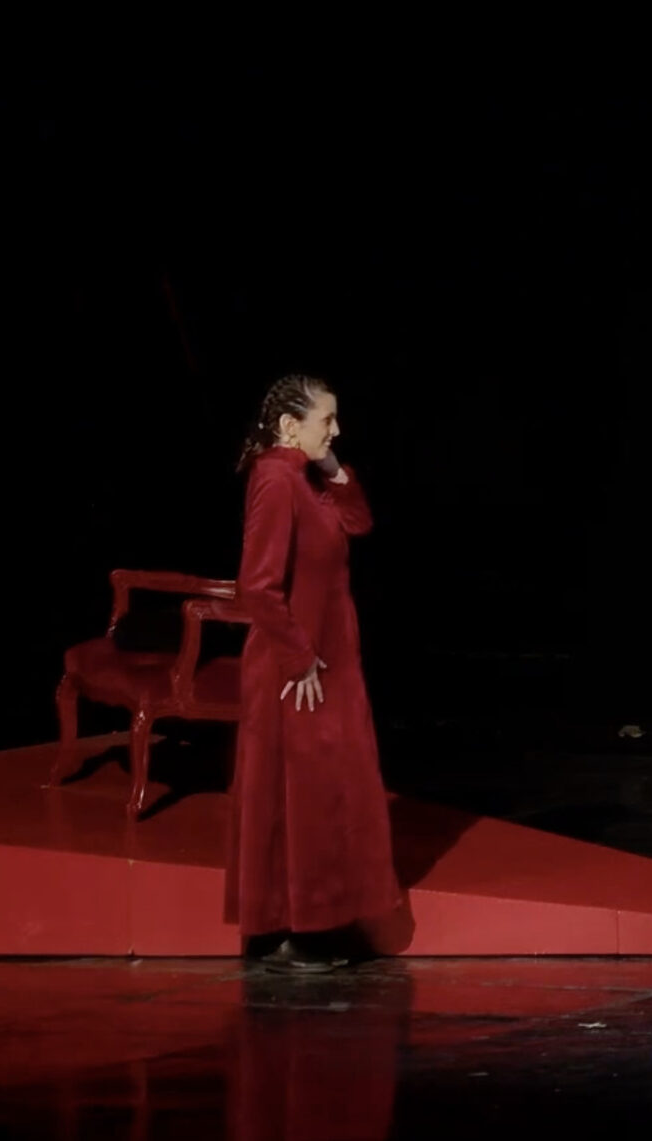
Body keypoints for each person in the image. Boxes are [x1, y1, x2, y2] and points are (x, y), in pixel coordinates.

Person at [226, 373, 403, 973]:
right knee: (303, 799)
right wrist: (299, 658)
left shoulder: (304, 476)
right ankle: (296, 934)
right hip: (298, 668)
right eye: (326, 420)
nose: (336, 429)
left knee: (320, 794)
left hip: (327, 660)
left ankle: (309, 925)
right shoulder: (276, 480)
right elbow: (257, 585)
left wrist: (331, 465)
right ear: (288, 425)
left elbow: (359, 523)